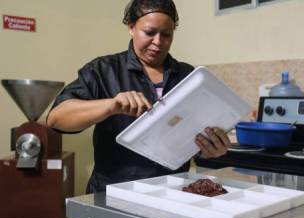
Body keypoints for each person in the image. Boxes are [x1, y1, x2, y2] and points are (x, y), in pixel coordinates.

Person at [47, 0, 231, 193]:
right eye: (150, 33)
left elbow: (194, 136)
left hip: (172, 194)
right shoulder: (104, 70)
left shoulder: (187, 76)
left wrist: (210, 149)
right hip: (113, 194)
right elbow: (57, 118)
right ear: (131, 27)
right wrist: (111, 105)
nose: (158, 42)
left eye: (166, 34)